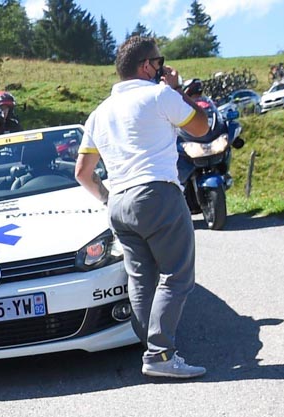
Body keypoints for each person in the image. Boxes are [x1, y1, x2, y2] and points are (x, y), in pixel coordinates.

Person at [74, 36, 210, 379]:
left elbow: (82, 173)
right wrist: (177, 90)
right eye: (158, 62)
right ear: (146, 66)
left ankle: (152, 350)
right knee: (177, 274)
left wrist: (107, 198)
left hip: (119, 202)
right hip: (157, 193)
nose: (162, 68)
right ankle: (161, 354)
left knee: (141, 279)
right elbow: (201, 127)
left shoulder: (98, 113)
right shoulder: (160, 95)